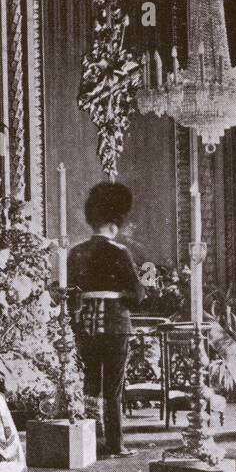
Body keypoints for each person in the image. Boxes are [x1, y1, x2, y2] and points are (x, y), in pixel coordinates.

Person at [67, 182, 144, 457]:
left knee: (89, 383)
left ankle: (89, 441)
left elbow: (70, 294)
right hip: (114, 325)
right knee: (113, 388)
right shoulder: (120, 252)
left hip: (86, 325)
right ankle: (114, 443)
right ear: (115, 222)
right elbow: (137, 295)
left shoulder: (76, 252)